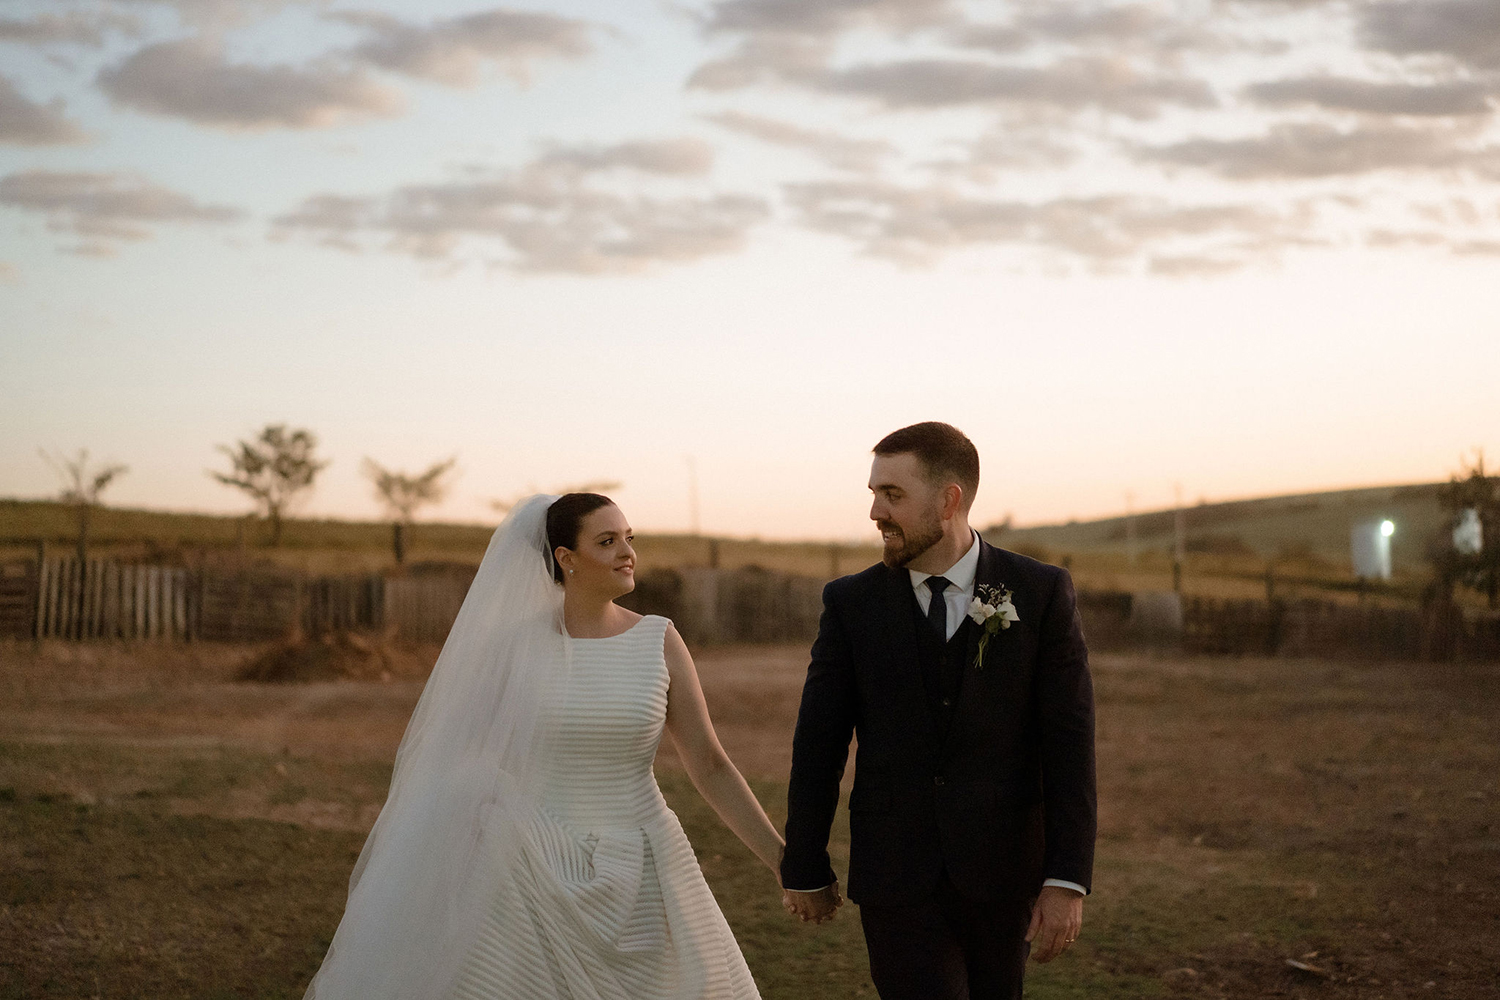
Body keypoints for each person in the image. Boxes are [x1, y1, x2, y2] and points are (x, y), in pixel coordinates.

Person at [305, 493, 783, 1000]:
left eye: (628, 538)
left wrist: (783, 860)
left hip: (645, 864)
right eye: (607, 541)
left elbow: (709, 763)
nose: (627, 552)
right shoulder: (517, 647)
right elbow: (459, 756)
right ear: (566, 558)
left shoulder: (658, 641)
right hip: (529, 867)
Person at [779, 422, 1097, 1000]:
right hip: (894, 876)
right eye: (874, 493)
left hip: (1005, 875)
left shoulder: (1041, 592)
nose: (875, 511)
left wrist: (1066, 878)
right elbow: (819, 744)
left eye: (893, 495)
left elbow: (1069, 743)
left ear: (949, 500)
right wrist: (804, 862)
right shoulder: (851, 604)